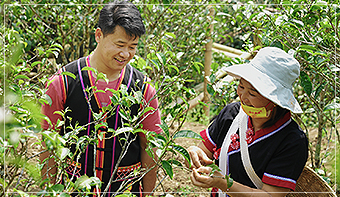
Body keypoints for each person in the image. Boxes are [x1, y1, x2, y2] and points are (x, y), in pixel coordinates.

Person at [40, 1, 161, 196]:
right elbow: (49, 144)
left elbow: (149, 145)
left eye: (133, 47)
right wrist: (48, 191)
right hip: (75, 190)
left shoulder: (143, 88)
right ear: (99, 35)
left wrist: (148, 193)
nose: (125, 54)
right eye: (120, 44)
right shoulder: (63, 82)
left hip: (125, 191)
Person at [188, 47, 308, 197]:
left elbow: (270, 195)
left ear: (275, 99)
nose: (243, 97)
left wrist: (223, 183)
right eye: (241, 86)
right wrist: (193, 155)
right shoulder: (231, 115)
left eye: (252, 93)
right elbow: (203, 153)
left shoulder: (291, 140)